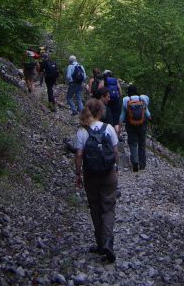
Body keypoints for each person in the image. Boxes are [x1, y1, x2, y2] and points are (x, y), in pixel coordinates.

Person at [75, 98, 119, 262]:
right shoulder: (108, 128)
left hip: (90, 174)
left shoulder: (82, 131)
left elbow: (79, 154)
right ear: (100, 111)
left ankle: (100, 243)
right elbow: (115, 152)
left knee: (95, 207)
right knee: (108, 207)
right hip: (108, 173)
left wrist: (78, 174)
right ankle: (108, 242)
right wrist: (116, 169)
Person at [119, 84, 151, 172]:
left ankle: (135, 164)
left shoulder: (126, 100)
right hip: (142, 126)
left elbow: (122, 116)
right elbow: (148, 115)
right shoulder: (142, 99)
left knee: (133, 144)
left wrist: (119, 127)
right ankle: (142, 165)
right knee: (142, 144)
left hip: (131, 126)